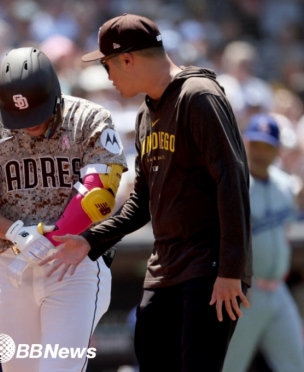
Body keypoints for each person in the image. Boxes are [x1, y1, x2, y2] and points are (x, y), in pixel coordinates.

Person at [41, 14, 252, 371]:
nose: (108, 76)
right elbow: (141, 203)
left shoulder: (198, 97)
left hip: (209, 268)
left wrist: (231, 269)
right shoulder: (145, 114)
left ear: (127, 59)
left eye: (107, 65)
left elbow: (231, 180)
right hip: (166, 269)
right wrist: (90, 241)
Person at [0, 47, 128, 371]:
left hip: (75, 263)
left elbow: (100, 193)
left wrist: (53, 236)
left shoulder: (89, 118)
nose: (28, 124)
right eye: (19, 115)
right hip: (13, 264)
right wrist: (15, 233)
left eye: (35, 113)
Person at [223, 114, 304, 372]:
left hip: (278, 291)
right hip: (246, 293)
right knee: (229, 366)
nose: (260, 152)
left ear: (276, 151)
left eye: (267, 146)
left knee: (296, 364)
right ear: (245, 143)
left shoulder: (284, 186)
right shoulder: (235, 185)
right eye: (256, 145)